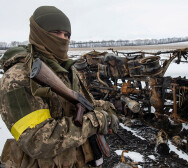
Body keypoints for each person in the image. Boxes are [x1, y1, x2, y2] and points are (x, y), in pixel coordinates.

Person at [0, 6, 119, 168]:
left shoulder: (68, 69)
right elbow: (37, 141)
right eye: (56, 33)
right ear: (39, 33)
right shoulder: (17, 77)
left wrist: (107, 108)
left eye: (67, 35)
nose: (63, 39)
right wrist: (95, 122)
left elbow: (82, 102)